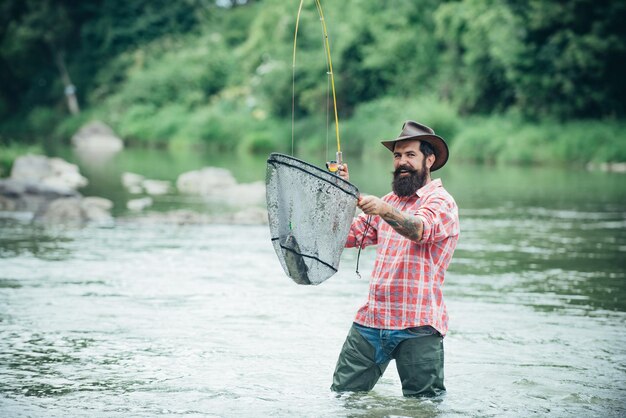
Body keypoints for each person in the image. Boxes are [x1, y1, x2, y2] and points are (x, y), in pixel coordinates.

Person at [331, 120, 460, 397]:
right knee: (343, 398)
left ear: (430, 159)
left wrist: (384, 209)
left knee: (422, 409)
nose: (402, 162)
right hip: (372, 321)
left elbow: (419, 230)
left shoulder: (441, 201)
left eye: (410, 155)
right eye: (398, 155)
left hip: (419, 327)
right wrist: (340, 192)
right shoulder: (391, 199)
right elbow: (348, 236)